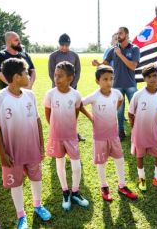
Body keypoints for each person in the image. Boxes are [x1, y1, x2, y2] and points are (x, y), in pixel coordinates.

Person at [0, 58, 51, 229]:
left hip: (32, 149)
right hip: (12, 153)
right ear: (17, 77)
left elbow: (37, 121)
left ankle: (38, 205)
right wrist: (2, 154)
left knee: (36, 178)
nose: (29, 76)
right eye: (26, 73)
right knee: (16, 183)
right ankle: (21, 215)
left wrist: (41, 145)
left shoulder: (30, 95)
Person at [80, 65, 138, 201]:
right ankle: (104, 186)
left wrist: (114, 110)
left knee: (120, 159)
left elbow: (120, 100)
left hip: (113, 135)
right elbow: (80, 104)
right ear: (97, 81)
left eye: (111, 79)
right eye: (105, 79)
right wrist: (91, 117)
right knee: (102, 162)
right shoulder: (94, 96)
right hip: (99, 137)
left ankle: (122, 185)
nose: (109, 82)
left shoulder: (117, 93)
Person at [43, 61, 89, 211]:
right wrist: (56, 129)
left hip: (71, 136)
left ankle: (75, 192)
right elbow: (48, 115)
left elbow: (75, 114)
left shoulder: (75, 95)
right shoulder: (50, 94)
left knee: (76, 165)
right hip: (56, 136)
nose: (56, 79)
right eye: (55, 75)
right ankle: (65, 192)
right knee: (60, 164)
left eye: (60, 76)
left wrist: (69, 129)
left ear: (70, 78)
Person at [128, 63, 157, 192]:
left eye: (155, 75)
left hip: (154, 131)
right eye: (149, 76)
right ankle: (141, 179)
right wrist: (134, 128)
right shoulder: (138, 95)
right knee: (140, 156)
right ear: (144, 78)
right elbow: (130, 113)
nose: (152, 79)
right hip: (140, 132)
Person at [92, 27, 140, 141]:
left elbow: (133, 66)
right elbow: (105, 64)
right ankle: (121, 132)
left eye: (121, 33)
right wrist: (97, 64)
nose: (118, 35)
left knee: (136, 110)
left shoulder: (134, 49)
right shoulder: (114, 49)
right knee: (119, 111)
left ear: (127, 35)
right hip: (117, 85)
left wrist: (120, 55)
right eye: (117, 33)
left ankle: (137, 132)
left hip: (130, 85)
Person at [48, 33, 85, 141]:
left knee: (72, 112)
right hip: (57, 89)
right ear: (59, 44)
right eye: (62, 45)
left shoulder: (74, 55)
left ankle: (74, 133)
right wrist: (60, 86)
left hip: (72, 89)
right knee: (58, 113)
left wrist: (71, 86)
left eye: (67, 45)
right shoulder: (53, 56)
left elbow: (77, 72)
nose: (64, 47)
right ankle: (57, 135)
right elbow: (51, 73)